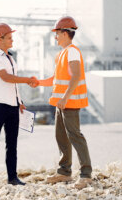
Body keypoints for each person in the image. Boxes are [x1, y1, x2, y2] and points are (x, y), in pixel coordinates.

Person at [31, 16, 92, 189]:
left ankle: (86, 174)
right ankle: (64, 172)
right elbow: (57, 79)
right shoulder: (63, 53)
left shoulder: (72, 51)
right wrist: (39, 83)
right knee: (61, 137)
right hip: (62, 103)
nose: (55, 37)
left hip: (69, 102)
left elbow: (76, 75)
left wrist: (65, 98)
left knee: (75, 136)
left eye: (57, 34)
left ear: (65, 33)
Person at [0, 23, 39, 190]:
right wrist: (28, 79)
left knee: (12, 144)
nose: (12, 40)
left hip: (13, 106)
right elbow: (6, 78)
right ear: (0, 39)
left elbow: (13, 85)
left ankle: (12, 177)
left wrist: (19, 101)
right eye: (9, 37)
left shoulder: (11, 58)